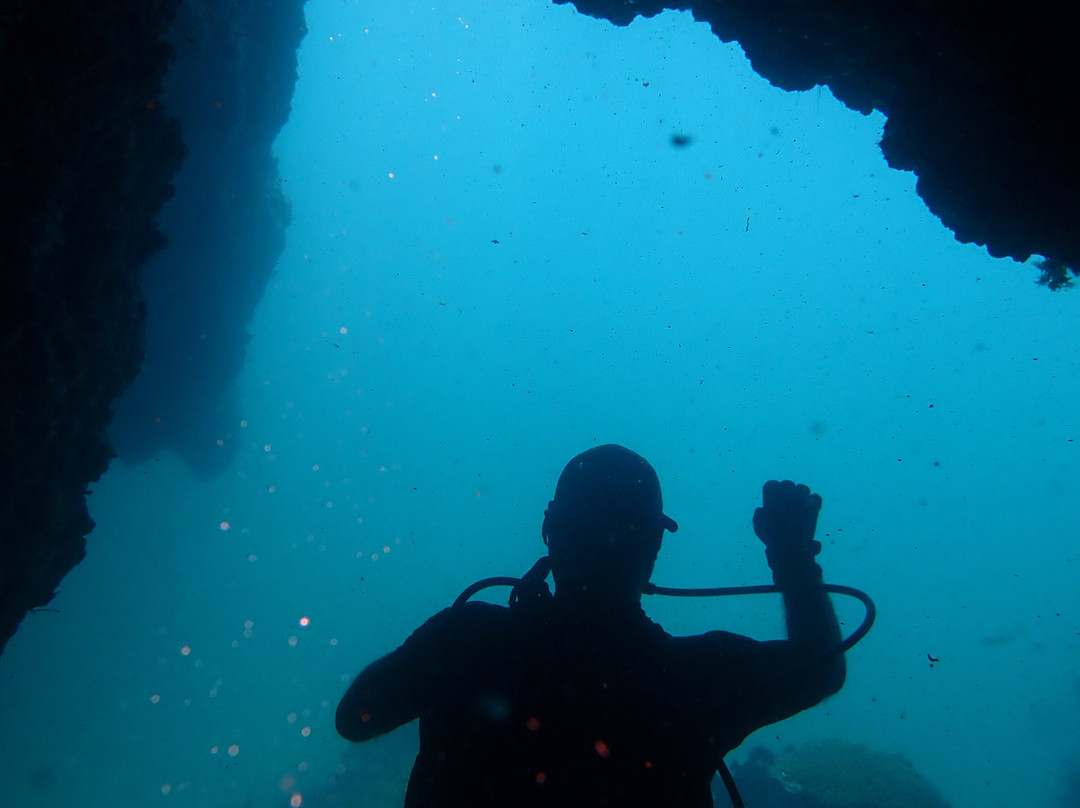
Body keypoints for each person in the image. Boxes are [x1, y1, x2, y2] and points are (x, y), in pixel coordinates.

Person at [336, 444, 845, 808]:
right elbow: (821, 669)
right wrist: (792, 554)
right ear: (653, 543)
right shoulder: (697, 678)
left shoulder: (468, 641)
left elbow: (355, 717)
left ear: (551, 527)